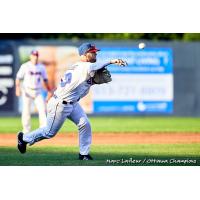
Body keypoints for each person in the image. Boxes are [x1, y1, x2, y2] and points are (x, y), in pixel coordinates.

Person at [17, 43, 127, 160]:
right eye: (93, 52)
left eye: (96, 52)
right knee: (49, 132)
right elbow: (94, 67)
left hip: (72, 103)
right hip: (60, 105)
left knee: (84, 124)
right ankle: (23, 138)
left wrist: (93, 81)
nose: (95, 54)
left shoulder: (80, 68)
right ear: (85, 54)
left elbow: (83, 84)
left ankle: (83, 154)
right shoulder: (84, 66)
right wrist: (112, 61)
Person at [15, 50, 52, 133]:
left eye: (36, 55)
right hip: (27, 91)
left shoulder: (41, 67)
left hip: (38, 91)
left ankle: (43, 129)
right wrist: (17, 89)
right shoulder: (25, 66)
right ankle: (26, 130)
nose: (35, 57)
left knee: (42, 110)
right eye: (33, 55)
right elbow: (18, 78)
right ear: (30, 56)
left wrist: (49, 90)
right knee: (26, 111)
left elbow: (45, 80)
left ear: (38, 57)